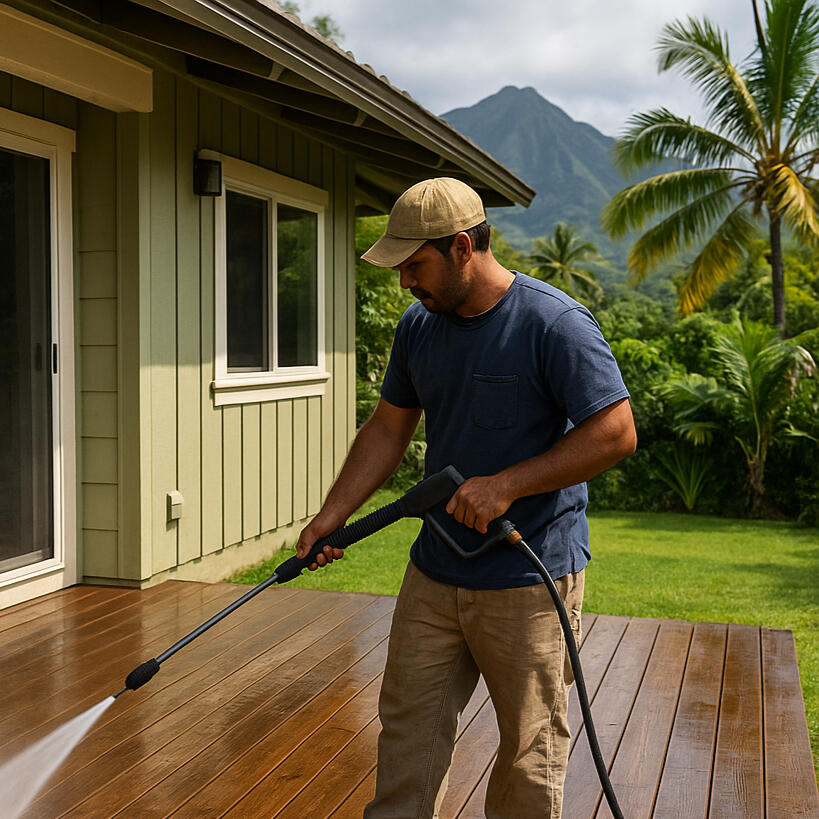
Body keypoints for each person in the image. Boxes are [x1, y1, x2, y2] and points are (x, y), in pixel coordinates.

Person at [296, 177, 636, 818]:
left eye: (414, 265)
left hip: (528, 576)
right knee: (406, 733)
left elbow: (616, 432)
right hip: (437, 569)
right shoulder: (419, 328)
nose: (404, 284)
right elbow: (389, 427)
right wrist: (331, 517)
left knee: (527, 757)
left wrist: (508, 485)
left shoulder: (552, 323)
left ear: (460, 248)